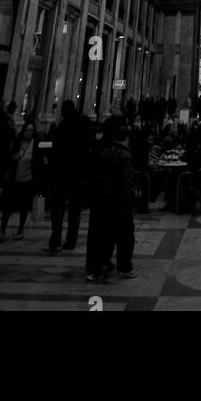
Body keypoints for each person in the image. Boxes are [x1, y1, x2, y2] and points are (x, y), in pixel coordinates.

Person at [86, 118, 137, 282]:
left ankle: (96, 269)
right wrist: (130, 203)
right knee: (125, 237)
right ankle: (124, 267)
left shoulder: (102, 151)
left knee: (102, 236)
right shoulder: (125, 155)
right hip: (120, 203)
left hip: (102, 201)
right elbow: (127, 182)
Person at [46, 100, 93, 253]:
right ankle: (71, 241)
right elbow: (90, 147)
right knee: (74, 209)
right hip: (78, 174)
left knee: (58, 209)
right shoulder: (84, 123)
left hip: (61, 174)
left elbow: (55, 151)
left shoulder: (62, 127)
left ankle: (55, 241)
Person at [0, 120, 41, 243]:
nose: (29, 133)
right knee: (7, 206)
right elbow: (9, 158)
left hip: (27, 180)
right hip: (14, 179)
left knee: (24, 206)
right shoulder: (17, 143)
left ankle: (20, 229)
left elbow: (38, 161)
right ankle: (2, 230)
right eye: (27, 130)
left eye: (31, 130)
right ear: (23, 131)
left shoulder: (36, 145)